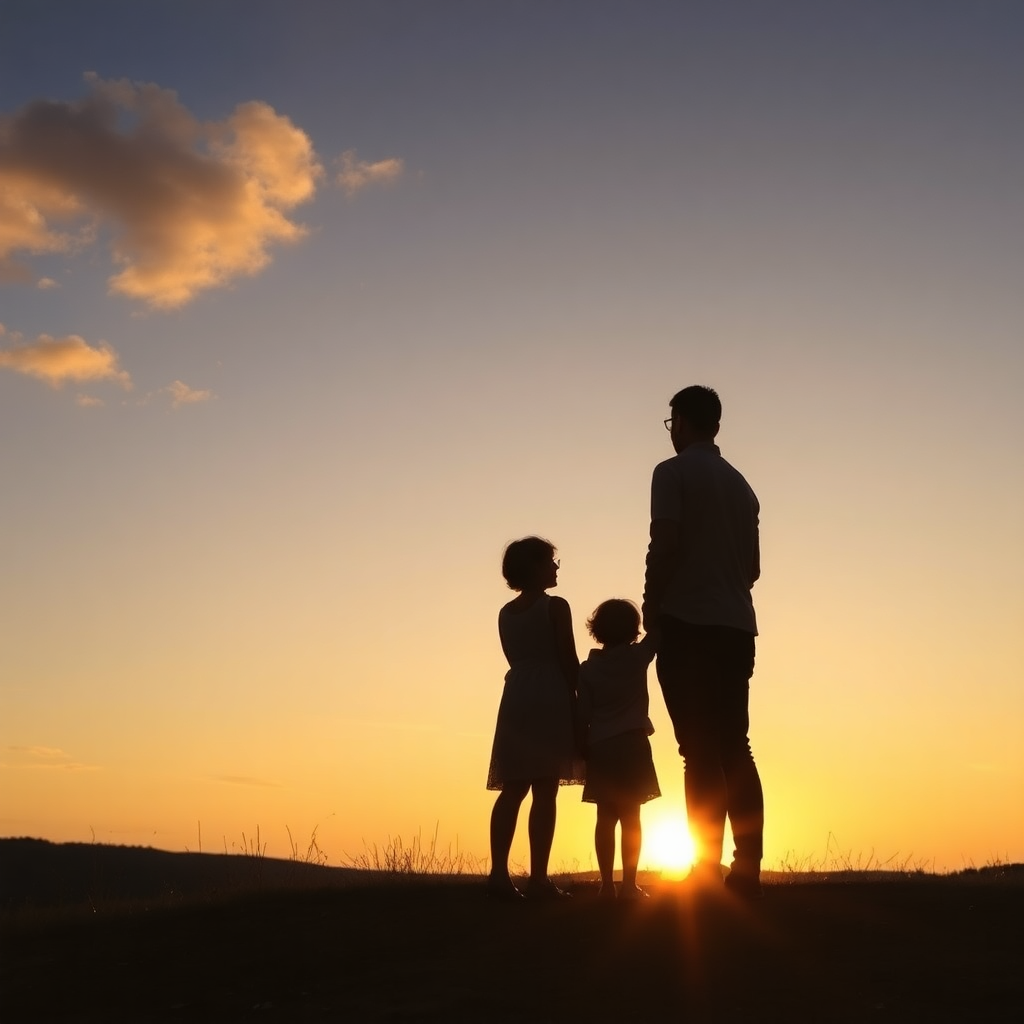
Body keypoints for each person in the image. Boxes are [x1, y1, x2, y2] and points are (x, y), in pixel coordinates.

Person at [642, 385, 766, 900]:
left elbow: (664, 543)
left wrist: (652, 602)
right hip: (736, 624)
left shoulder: (670, 473)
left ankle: (706, 867)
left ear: (683, 422)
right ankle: (748, 865)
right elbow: (753, 569)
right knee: (736, 746)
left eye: (672, 423)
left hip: (687, 622)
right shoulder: (742, 486)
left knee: (698, 751)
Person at [486, 536, 586, 900]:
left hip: (516, 694)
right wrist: (581, 702)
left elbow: (515, 657)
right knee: (545, 789)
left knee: (513, 788)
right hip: (550, 694)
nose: (556, 567)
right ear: (534, 567)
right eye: (550, 561)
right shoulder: (556, 606)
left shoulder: (506, 613)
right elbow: (568, 659)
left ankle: (499, 874)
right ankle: (539, 878)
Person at [578, 599, 661, 901]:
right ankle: (629, 885)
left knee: (605, 817)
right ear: (633, 629)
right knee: (631, 817)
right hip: (632, 745)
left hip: (600, 745)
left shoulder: (588, 669)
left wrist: (582, 746)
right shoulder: (637, 657)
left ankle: (606, 885)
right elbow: (658, 634)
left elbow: (584, 713)